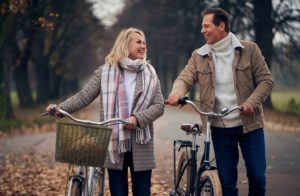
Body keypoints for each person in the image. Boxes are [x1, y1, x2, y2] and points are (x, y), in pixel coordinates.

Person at [166, 7, 274, 196]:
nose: (202, 30)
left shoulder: (250, 50)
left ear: (221, 25)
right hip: (219, 128)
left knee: (257, 177)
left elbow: (266, 81)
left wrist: (251, 103)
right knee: (226, 184)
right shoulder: (198, 56)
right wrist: (176, 93)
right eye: (202, 26)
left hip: (250, 126)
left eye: (206, 26)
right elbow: (185, 78)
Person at [46, 27, 165, 196]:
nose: (143, 45)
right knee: (118, 192)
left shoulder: (150, 74)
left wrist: (137, 118)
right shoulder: (105, 71)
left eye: (144, 42)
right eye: (138, 42)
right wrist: (61, 108)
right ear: (125, 44)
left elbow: (159, 105)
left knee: (142, 192)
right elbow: (84, 96)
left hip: (141, 143)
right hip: (114, 144)